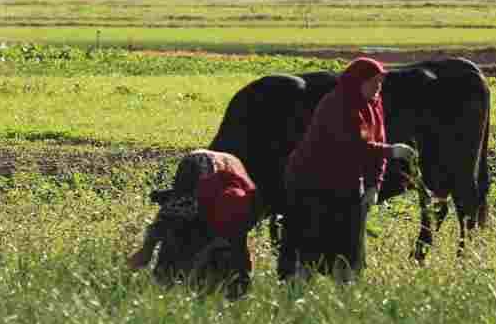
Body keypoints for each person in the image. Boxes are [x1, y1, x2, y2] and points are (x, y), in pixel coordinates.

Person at [278, 56, 417, 281]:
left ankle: (345, 292)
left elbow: (377, 144)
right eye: (373, 82)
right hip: (311, 181)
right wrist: (392, 151)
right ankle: (298, 290)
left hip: (346, 180)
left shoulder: (374, 105)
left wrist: (374, 185)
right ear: (358, 81)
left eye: (380, 82)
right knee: (313, 242)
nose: (378, 87)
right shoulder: (338, 104)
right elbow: (354, 146)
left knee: (349, 243)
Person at [128, 148, 258, 298]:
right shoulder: (181, 214)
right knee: (176, 233)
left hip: (223, 177)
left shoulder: (235, 214)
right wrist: (145, 251)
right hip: (206, 166)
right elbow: (152, 243)